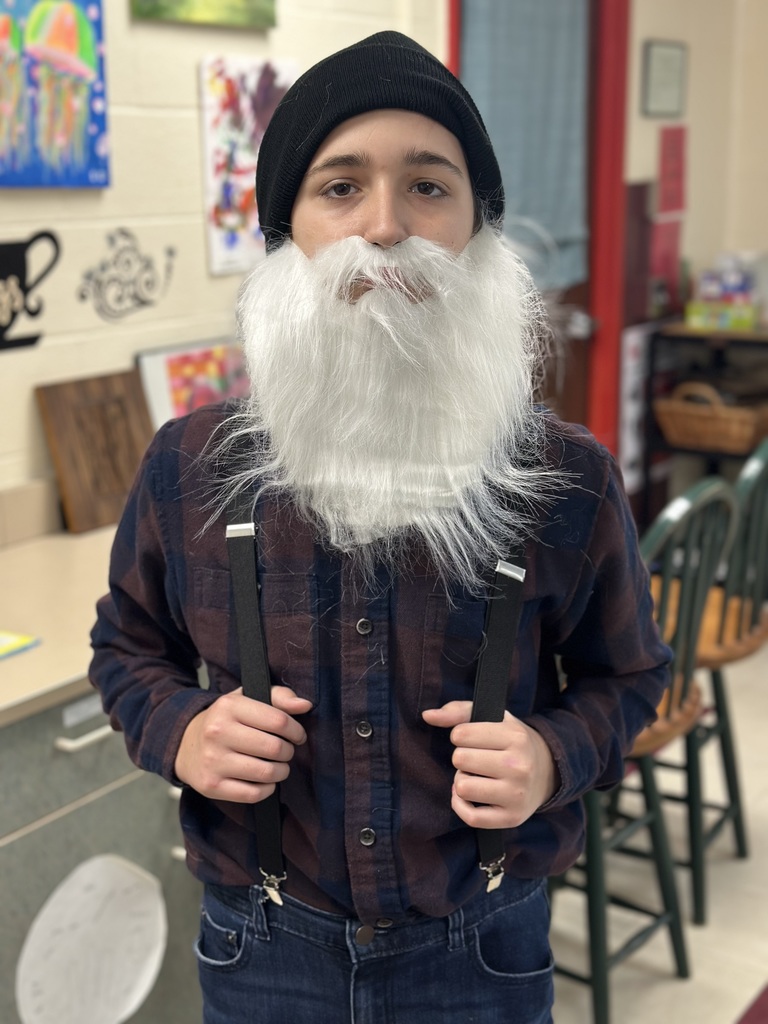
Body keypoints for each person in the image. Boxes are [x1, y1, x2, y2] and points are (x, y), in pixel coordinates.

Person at [89, 31, 669, 1024]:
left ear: (477, 234)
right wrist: (179, 730)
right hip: (261, 945)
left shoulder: (565, 478)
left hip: (479, 950)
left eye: (430, 188)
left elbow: (633, 678)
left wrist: (553, 756)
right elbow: (126, 648)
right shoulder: (189, 466)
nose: (386, 227)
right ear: (289, 231)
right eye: (342, 186)